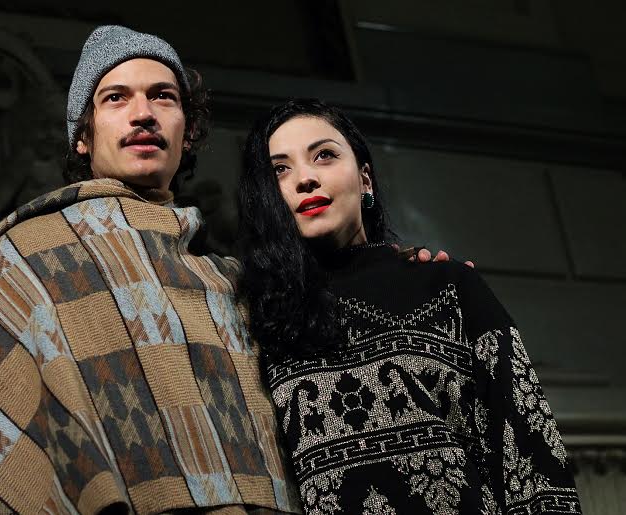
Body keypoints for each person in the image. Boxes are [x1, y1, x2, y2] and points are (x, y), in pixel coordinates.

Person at [0, 27, 450, 514]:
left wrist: (392, 275)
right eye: (116, 98)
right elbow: (17, 448)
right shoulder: (27, 261)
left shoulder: (233, 278)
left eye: (163, 96)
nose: (143, 114)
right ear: (83, 134)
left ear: (188, 130)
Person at [237, 99, 581, 514]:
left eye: (324, 155)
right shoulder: (259, 316)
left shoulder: (448, 285)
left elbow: (533, 451)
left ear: (365, 179)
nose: (305, 178)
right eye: (280, 169)